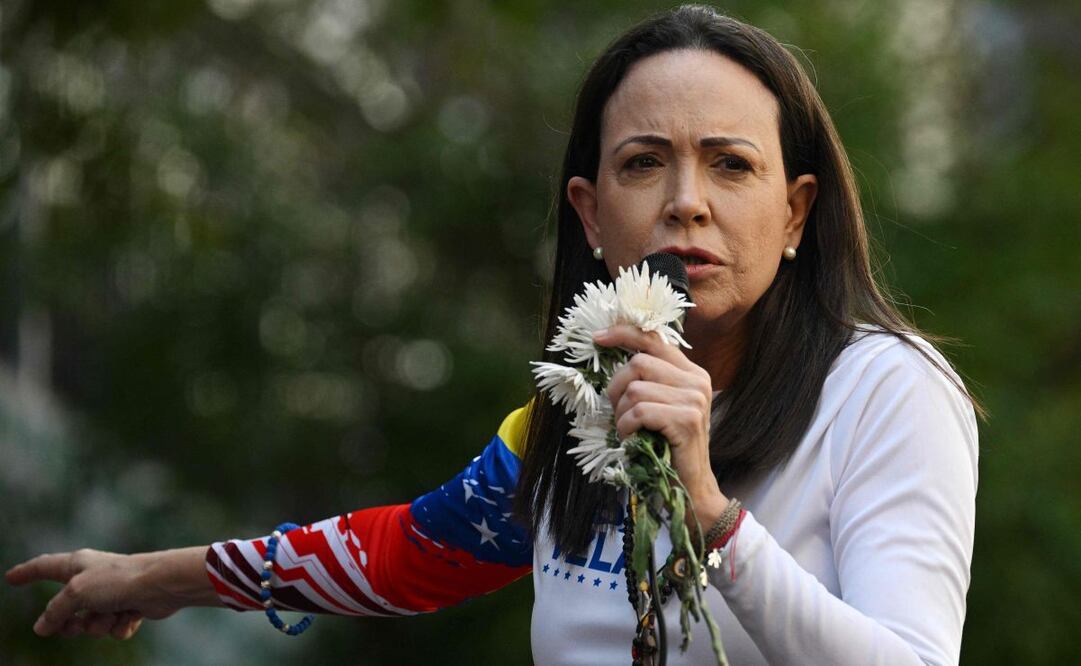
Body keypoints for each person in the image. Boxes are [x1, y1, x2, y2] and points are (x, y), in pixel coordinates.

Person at [5, 5, 979, 664]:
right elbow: (405, 552)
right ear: (591, 217)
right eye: (645, 165)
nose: (687, 203)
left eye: (729, 165)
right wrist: (158, 578)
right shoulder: (575, 416)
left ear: (798, 212)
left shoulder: (883, 392)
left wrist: (710, 512)